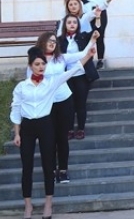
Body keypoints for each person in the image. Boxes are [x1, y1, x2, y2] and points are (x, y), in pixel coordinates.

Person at [11, 45, 95, 219]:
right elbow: (16, 109)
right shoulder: (21, 87)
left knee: (48, 165)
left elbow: (72, 71)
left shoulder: (51, 83)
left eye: (43, 64)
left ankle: (48, 203)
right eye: (37, 64)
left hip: (45, 125)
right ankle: (28, 205)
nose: (41, 67)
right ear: (30, 66)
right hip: (27, 127)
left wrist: (88, 55)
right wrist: (17, 133)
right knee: (27, 166)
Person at [28, 31, 97, 186]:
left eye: (54, 41)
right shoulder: (36, 62)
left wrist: (92, 41)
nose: (52, 44)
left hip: (65, 101)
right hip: (47, 103)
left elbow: (82, 55)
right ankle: (51, 171)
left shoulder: (61, 58)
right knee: (49, 138)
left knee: (62, 137)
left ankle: (63, 170)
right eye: (49, 41)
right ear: (42, 42)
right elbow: (30, 83)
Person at [57, 14, 100, 141]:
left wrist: (98, 18)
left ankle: (81, 128)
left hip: (81, 74)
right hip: (67, 75)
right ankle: (69, 129)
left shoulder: (83, 36)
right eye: (69, 22)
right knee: (69, 104)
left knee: (81, 103)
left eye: (74, 22)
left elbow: (97, 32)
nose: (72, 24)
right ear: (65, 25)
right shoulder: (60, 40)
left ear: (78, 25)